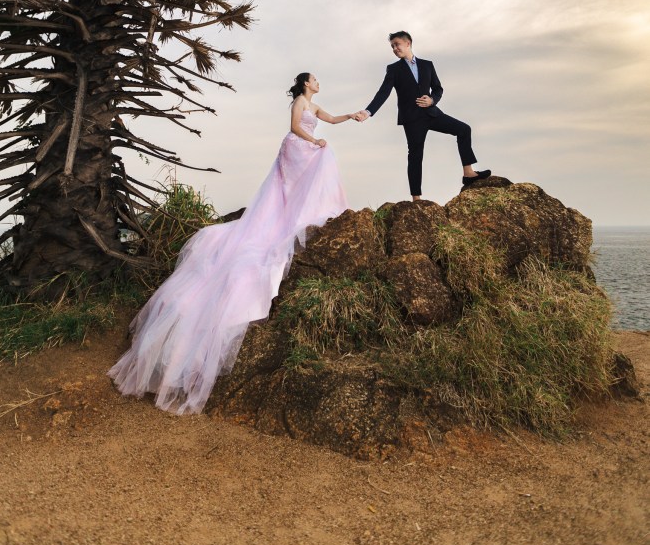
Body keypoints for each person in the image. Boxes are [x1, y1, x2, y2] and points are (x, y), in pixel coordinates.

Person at [108, 73, 356, 415]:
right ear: (304, 84)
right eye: (314, 80)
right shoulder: (300, 102)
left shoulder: (314, 106)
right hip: (296, 147)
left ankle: (307, 211)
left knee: (323, 158)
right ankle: (293, 216)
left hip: (307, 146)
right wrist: (315, 142)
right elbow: (295, 127)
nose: (318, 82)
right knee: (315, 163)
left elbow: (330, 119)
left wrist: (351, 116)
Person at [355, 31, 490, 200]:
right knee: (415, 156)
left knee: (464, 129)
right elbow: (383, 93)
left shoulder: (427, 65)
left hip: (432, 114)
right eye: (392, 46)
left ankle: (468, 172)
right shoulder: (394, 69)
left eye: (397, 44)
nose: (395, 48)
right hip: (412, 119)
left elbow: (438, 89)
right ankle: (416, 198)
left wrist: (432, 100)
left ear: (408, 43)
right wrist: (368, 112)